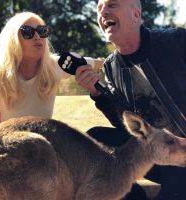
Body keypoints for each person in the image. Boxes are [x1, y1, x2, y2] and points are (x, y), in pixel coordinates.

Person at [75, 0, 186, 200]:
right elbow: (125, 125)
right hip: (155, 155)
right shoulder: (111, 67)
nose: (103, 13)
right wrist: (98, 95)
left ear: (136, 15)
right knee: (92, 141)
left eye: (112, 5)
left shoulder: (177, 42)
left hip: (181, 155)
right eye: (99, 9)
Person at [0, 11, 70, 128]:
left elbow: (94, 63)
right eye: (27, 32)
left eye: (42, 31)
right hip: (5, 142)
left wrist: (100, 62)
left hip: (44, 142)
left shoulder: (54, 65)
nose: (37, 36)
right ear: (12, 40)